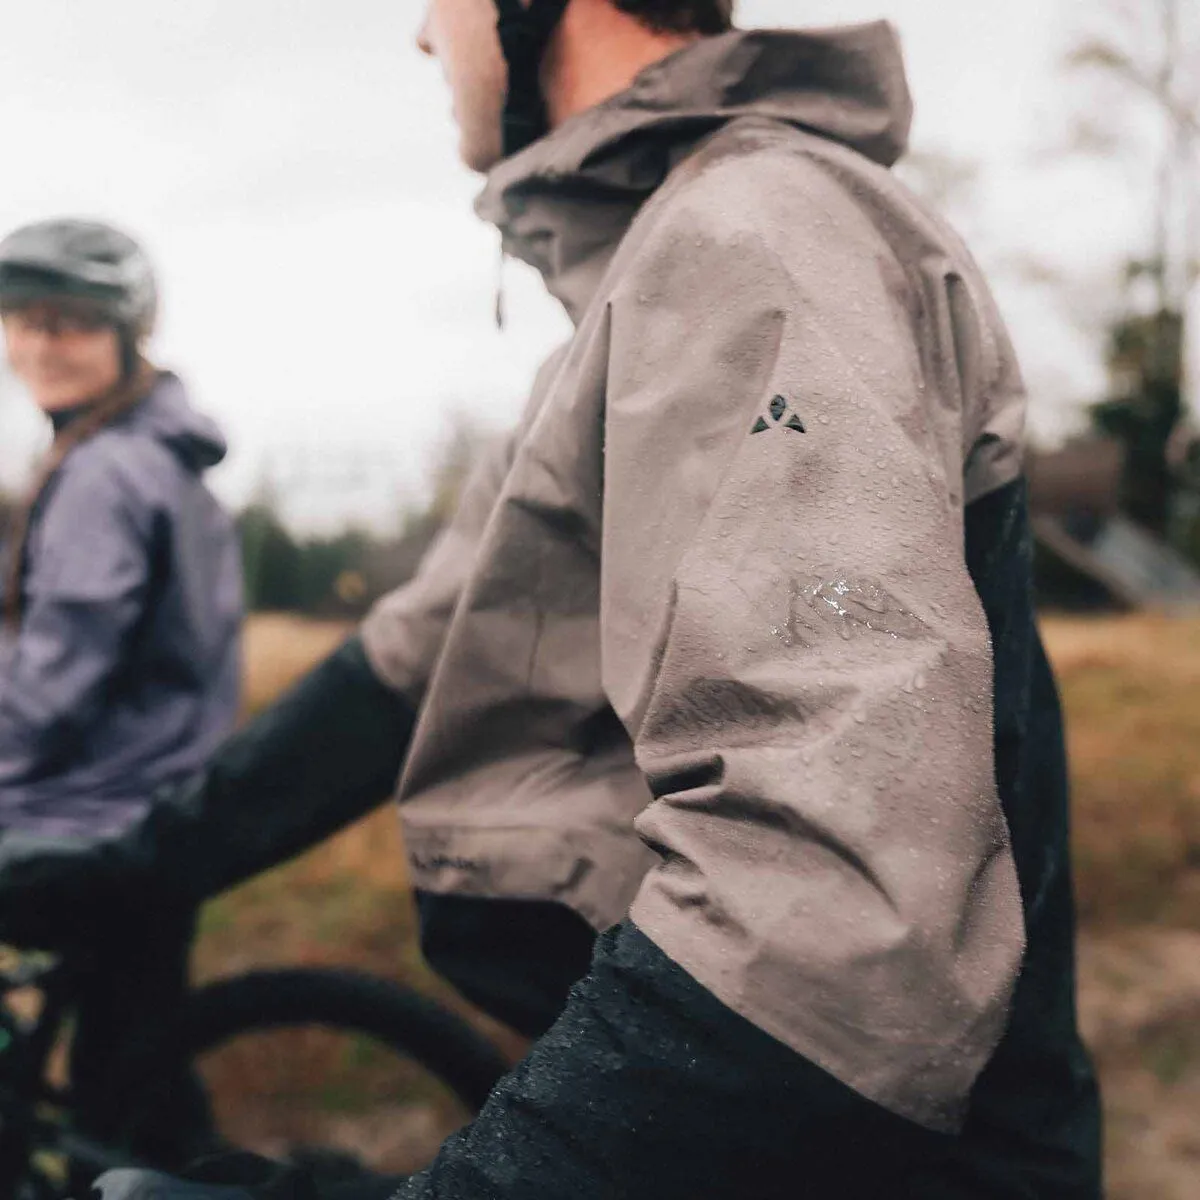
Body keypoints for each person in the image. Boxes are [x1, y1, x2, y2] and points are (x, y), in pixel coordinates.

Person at [89, 2, 1102, 1197]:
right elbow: (418, 660)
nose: (422, 37)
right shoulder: (659, 273)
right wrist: (136, 868)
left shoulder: (755, 233)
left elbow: (824, 908)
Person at [0, 217, 243, 1161]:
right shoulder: (162, 457)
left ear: (125, 335)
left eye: (69, 323)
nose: (39, 344)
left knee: (128, 1096)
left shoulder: (106, 472)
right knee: (134, 1089)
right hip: (156, 804)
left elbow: (56, 684)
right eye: (23, 319)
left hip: (88, 816)